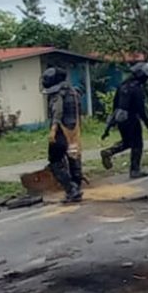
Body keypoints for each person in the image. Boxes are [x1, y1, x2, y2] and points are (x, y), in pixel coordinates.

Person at [100, 62, 148, 178]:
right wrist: (147, 122)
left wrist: (110, 125)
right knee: (137, 144)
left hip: (120, 119)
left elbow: (115, 106)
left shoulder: (122, 86)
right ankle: (134, 170)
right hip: (131, 118)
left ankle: (110, 151)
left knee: (127, 142)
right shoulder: (137, 89)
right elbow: (140, 109)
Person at [41, 67, 83, 203]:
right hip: (74, 130)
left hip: (61, 131)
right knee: (73, 158)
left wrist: (53, 130)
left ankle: (71, 190)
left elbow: (57, 112)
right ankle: (77, 185)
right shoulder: (73, 92)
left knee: (55, 161)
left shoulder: (57, 95)